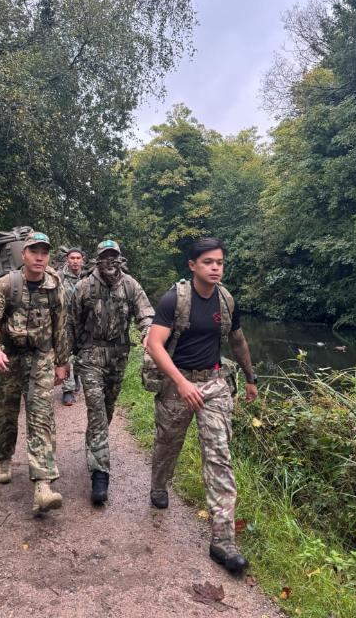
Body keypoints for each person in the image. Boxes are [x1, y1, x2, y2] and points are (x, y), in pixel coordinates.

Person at [146, 237, 258, 575]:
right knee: (168, 443)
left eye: (220, 262)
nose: (215, 268)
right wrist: (181, 383)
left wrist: (250, 377)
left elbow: (237, 340)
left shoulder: (226, 300)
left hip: (214, 383)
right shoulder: (174, 300)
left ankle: (223, 540)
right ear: (192, 265)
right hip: (177, 382)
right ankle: (159, 484)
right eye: (208, 262)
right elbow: (154, 344)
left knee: (219, 455)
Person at [0, 231, 70, 516]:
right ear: (24, 254)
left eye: (44, 252)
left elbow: (61, 325)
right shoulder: (7, 284)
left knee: (41, 416)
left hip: (40, 358)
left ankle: (43, 484)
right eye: (34, 252)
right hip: (8, 357)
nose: (39, 257)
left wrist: (62, 362)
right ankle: (4, 456)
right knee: (5, 413)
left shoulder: (54, 286)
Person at [70, 239, 154, 504]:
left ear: (120, 259)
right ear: (97, 260)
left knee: (107, 409)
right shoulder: (84, 287)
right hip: (90, 356)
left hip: (118, 357)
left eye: (114, 256)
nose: (110, 261)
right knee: (96, 409)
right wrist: (67, 357)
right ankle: (100, 474)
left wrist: (147, 334)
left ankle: (95, 444)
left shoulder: (130, 285)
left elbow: (146, 314)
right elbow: (71, 322)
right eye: (105, 256)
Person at [58, 248, 86, 406]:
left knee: (81, 352)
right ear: (67, 260)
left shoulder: (88, 277)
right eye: (72, 258)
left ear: (82, 260)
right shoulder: (59, 277)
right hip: (65, 321)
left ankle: (76, 376)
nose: (75, 261)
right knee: (66, 353)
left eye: (78, 258)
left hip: (83, 322)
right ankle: (67, 391)